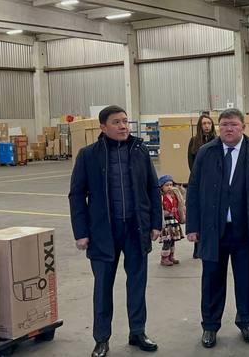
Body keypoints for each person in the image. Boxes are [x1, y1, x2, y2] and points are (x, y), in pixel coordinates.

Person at [69, 105, 162, 357]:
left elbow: (152, 188)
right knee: (102, 287)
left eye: (125, 121)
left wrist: (156, 223)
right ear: (103, 127)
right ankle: (101, 338)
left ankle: (138, 332)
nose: (123, 126)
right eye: (116, 122)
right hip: (103, 233)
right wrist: (81, 232)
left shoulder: (140, 150)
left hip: (135, 228)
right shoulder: (88, 155)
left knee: (137, 283)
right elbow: (76, 195)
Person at [185, 108, 249, 349]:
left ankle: (246, 321)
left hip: (246, 229)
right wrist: (192, 226)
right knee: (211, 280)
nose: (228, 128)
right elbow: (193, 189)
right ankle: (210, 325)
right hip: (212, 229)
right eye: (224, 124)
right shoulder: (206, 152)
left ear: (243, 127)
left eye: (233, 124)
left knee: (246, 279)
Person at [187, 114, 217, 259]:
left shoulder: (217, 141)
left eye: (209, 123)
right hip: (199, 183)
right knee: (199, 215)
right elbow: (191, 163)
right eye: (204, 123)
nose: (207, 126)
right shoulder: (194, 141)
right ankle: (198, 248)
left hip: (215, 183)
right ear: (200, 125)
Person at [158, 174, 186, 267]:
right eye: (167, 185)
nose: (169, 187)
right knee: (167, 241)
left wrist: (181, 190)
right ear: (161, 187)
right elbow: (158, 209)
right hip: (166, 223)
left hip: (174, 221)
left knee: (173, 240)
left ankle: (171, 256)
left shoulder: (175, 195)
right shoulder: (161, 197)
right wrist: (164, 212)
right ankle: (164, 258)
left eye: (171, 185)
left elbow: (181, 201)